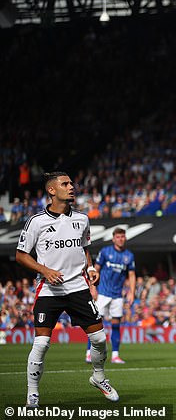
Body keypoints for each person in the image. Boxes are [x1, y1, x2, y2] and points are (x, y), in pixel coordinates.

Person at [16, 172, 119, 407]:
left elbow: (85, 248)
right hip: (49, 290)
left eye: (71, 183)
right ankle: (33, 393)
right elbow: (21, 255)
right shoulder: (36, 221)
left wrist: (91, 267)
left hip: (78, 287)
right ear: (52, 190)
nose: (71, 187)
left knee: (100, 339)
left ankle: (98, 377)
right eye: (65, 184)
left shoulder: (82, 219)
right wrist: (45, 269)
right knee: (41, 344)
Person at [85, 228, 136, 364]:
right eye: (118, 237)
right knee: (96, 324)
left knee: (116, 325)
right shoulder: (106, 252)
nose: (120, 239)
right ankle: (89, 353)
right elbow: (96, 269)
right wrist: (93, 287)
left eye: (122, 237)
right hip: (103, 293)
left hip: (118, 295)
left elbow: (131, 275)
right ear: (113, 239)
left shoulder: (129, 256)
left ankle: (115, 355)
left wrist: (131, 291)